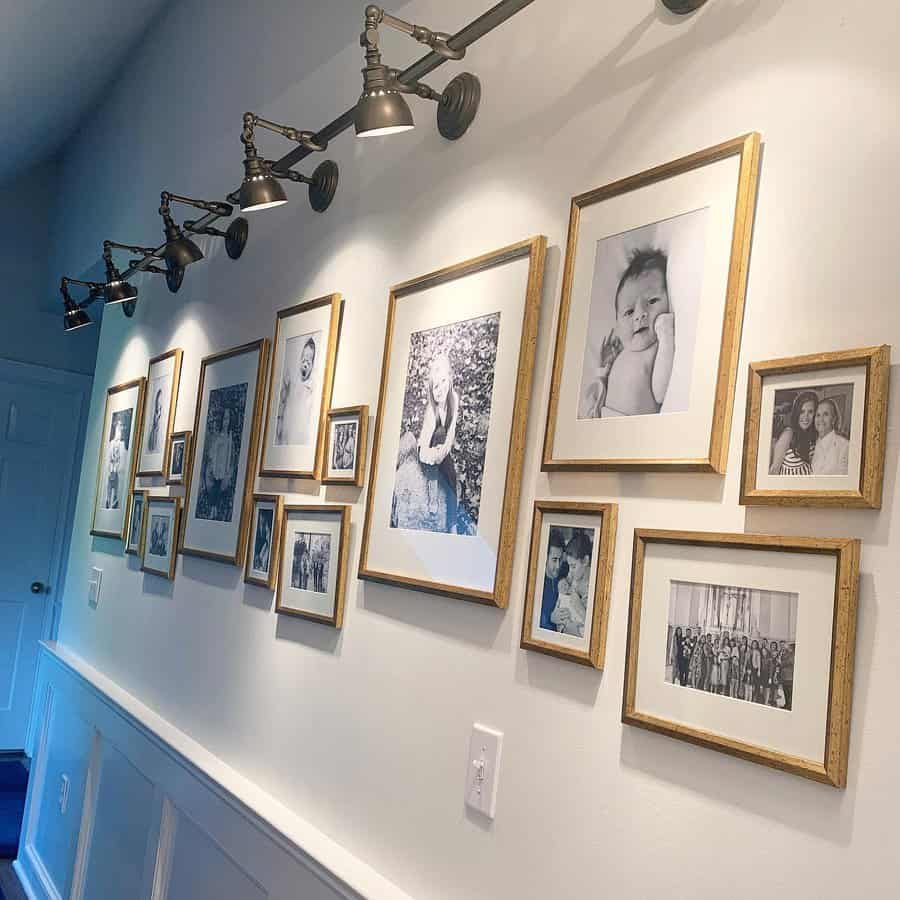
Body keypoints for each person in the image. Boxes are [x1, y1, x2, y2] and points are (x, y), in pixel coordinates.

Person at [581, 248, 676, 418]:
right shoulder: (623, 351)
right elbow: (602, 394)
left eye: (652, 301)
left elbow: (661, 393)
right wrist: (604, 371)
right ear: (617, 325)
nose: (640, 315)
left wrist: (667, 336)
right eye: (629, 312)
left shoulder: (656, 348)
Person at [417, 353, 460, 533]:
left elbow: (451, 434)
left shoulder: (454, 399)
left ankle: (452, 523)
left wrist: (443, 452)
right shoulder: (430, 413)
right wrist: (434, 456)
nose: (440, 389)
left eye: (443, 381)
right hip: (428, 451)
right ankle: (432, 495)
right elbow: (423, 451)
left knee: (451, 477)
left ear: (450, 379)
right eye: (436, 386)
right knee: (439, 432)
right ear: (431, 391)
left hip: (442, 449)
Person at [276, 337, 317, 446]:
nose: (305, 365)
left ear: (313, 365)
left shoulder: (311, 387)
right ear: (299, 360)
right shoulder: (292, 379)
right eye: (303, 360)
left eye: (308, 361)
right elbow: (282, 400)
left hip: (298, 438)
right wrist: (279, 419)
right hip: (285, 436)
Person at [551, 532, 592, 638]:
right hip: (565, 625)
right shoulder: (573, 576)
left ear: (585, 561)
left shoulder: (592, 588)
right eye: (569, 566)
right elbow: (564, 585)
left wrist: (579, 607)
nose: (570, 571)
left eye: (573, 566)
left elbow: (592, 628)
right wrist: (562, 583)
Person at [769, 391, 818, 475]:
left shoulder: (813, 434)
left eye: (810, 412)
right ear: (796, 413)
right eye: (802, 412)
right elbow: (774, 470)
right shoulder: (788, 434)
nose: (806, 417)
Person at [201, 406, 235, 521]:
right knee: (214, 484)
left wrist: (227, 469)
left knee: (219, 485)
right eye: (224, 418)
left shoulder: (229, 437)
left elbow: (229, 454)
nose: (226, 421)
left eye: (228, 419)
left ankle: (214, 508)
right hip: (216, 466)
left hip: (223, 467)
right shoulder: (217, 436)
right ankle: (213, 509)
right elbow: (213, 452)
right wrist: (213, 466)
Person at [811, 398, 850, 475]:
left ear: (833, 420)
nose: (820, 419)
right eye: (818, 415)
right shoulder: (811, 444)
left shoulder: (845, 445)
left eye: (825, 414)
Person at [539, 531, 565, 631]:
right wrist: (550, 618)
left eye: (561, 559)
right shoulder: (537, 581)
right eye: (554, 560)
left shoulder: (565, 572)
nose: (558, 566)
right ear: (545, 558)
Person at [104, 420, 126, 509]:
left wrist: (117, 467)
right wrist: (110, 468)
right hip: (112, 468)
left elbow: (121, 458)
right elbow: (109, 457)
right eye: (118, 425)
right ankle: (108, 500)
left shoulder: (121, 444)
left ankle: (114, 500)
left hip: (116, 468)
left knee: (115, 486)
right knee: (109, 486)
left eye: (120, 426)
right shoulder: (112, 443)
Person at [147, 388, 163, 454]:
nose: (160, 407)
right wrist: (158, 414)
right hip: (155, 427)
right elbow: (155, 420)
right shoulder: (156, 414)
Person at [780, 643, 795, 710]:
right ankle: (786, 705)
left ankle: (789, 706)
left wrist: (781, 663)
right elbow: (782, 659)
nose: (787, 647)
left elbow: (789, 662)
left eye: (788, 647)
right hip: (784, 676)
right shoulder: (786, 653)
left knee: (789, 693)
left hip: (789, 677)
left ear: (791, 648)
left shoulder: (793, 655)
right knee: (785, 691)